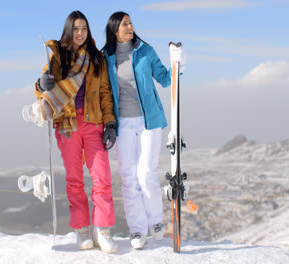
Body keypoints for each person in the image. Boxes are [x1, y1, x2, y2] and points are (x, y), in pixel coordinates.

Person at [34, 10, 117, 253]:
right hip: (67, 125)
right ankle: (82, 229)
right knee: (74, 180)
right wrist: (42, 84)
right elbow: (41, 87)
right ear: (69, 30)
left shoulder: (96, 59)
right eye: (76, 29)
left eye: (84, 29)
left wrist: (110, 123)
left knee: (102, 177)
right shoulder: (58, 57)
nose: (80, 34)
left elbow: (104, 93)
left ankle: (102, 229)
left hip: (93, 122)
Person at [102, 11, 185, 249]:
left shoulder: (145, 51)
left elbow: (166, 79)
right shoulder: (105, 57)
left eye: (131, 23)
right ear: (114, 29)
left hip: (148, 120)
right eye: (125, 23)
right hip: (123, 124)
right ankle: (137, 230)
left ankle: (156, 222)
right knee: (129, 178)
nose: (130, 26)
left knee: (146, 172)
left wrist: (178, 62)